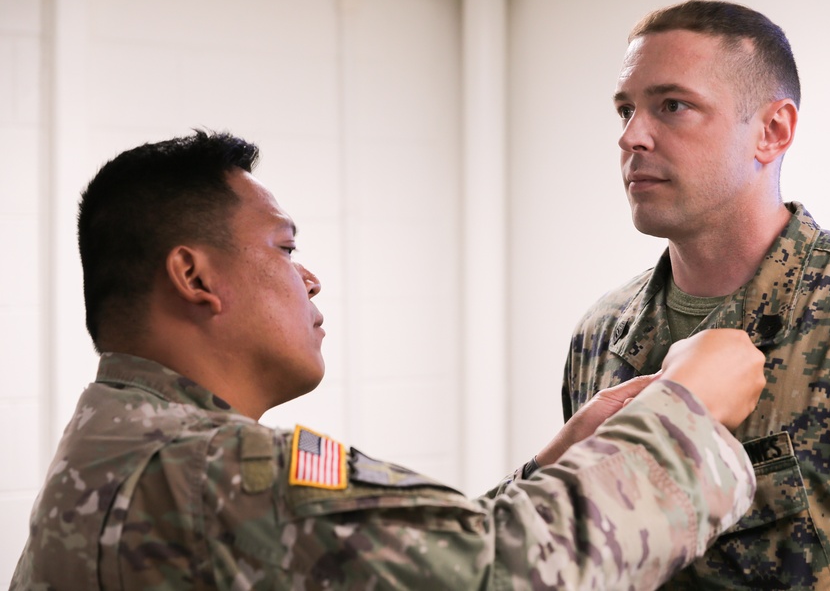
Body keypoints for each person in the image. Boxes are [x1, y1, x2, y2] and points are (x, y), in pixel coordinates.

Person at [11, 131, 768, 590]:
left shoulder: (117, 444)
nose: (309, 276)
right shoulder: (213, 470)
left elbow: (399, 563)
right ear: (196, 276)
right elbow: (503, 576)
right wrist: (684, 413)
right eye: (284, 247)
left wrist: (557, 462)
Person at [561, 0, 830, 590]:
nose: (632, 137)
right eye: (625, 110)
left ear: (772, 131)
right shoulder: (602, 337)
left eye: (673, 106)